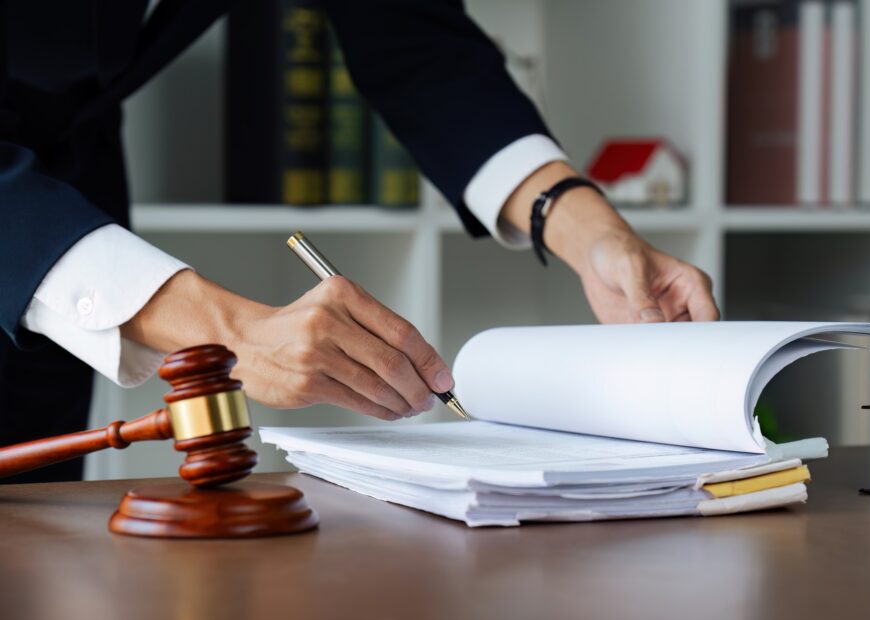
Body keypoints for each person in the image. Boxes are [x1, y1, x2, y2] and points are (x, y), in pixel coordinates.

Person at [0, 0, 718, 483]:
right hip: (55, 248)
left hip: (68, 210)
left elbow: (413, 39)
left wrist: (585, 225)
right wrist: (233, 332)